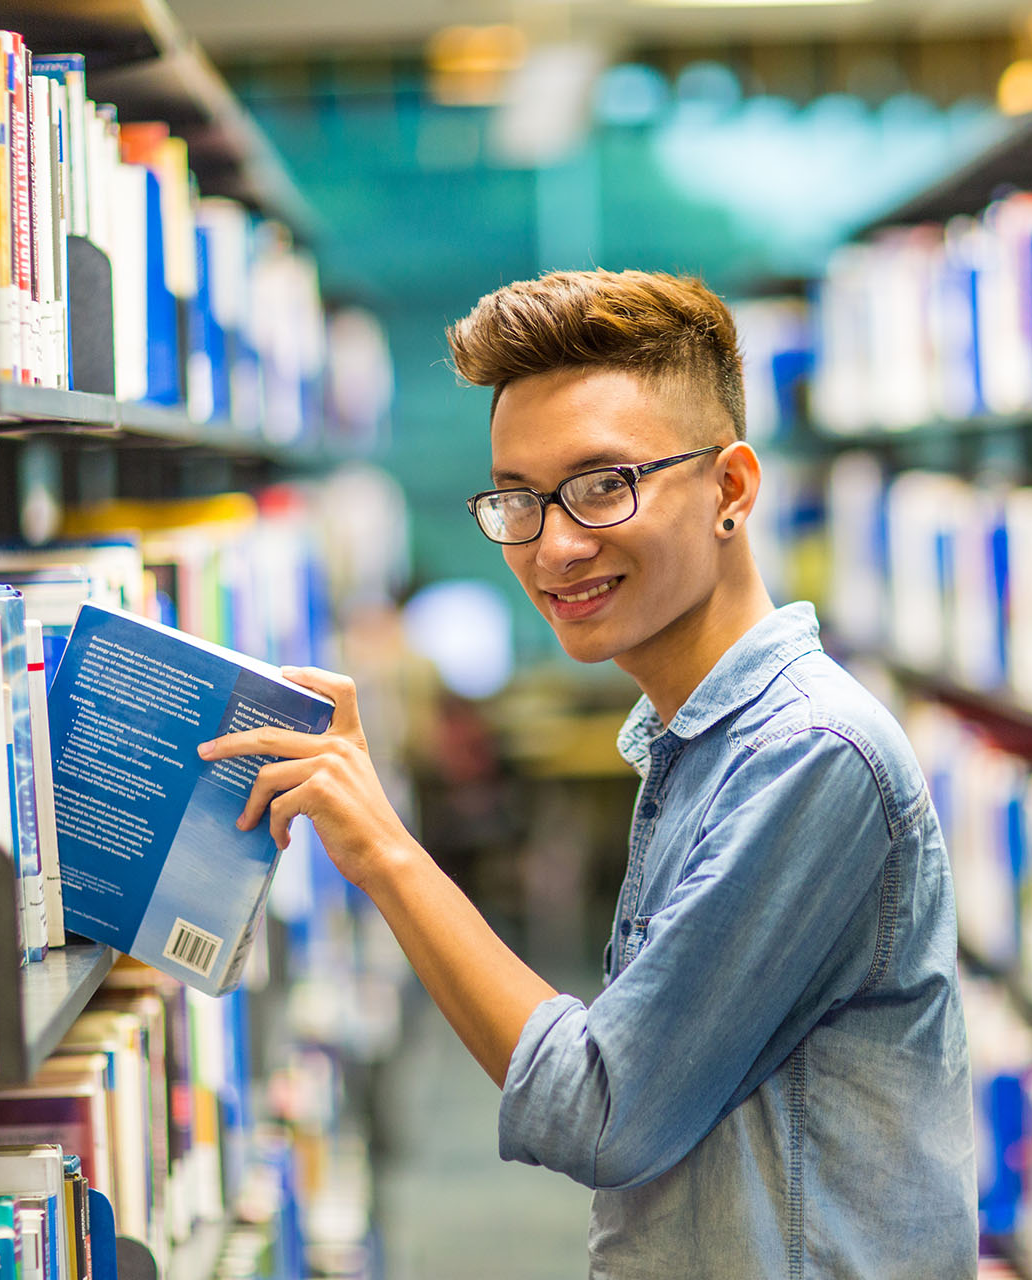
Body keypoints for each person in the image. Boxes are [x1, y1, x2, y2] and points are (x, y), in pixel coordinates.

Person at [199, 269, 976, 1278]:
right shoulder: (693, 738)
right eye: (518, 498)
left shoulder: (809, 752)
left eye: (604, 483)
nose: (554, 544)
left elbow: (600, 1110)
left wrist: (387, 849)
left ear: (730, 488)